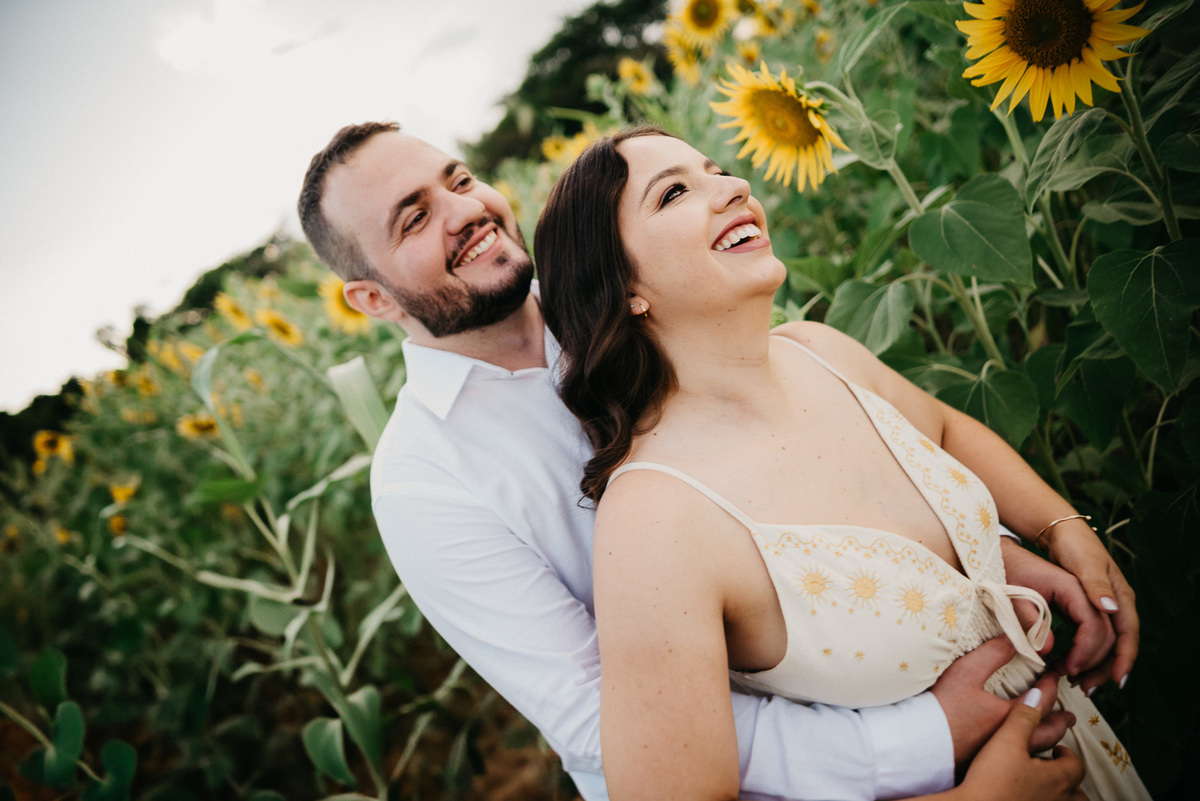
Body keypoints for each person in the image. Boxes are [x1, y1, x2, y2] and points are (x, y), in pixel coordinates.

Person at [297, 121, 1138, 801]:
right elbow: (609, 725)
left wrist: (1010, 552)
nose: (466, 209)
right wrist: (924, 742)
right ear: (368, 296)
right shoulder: (424, 481)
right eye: (414, 217)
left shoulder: (648, 289)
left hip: (978, 678)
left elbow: (870, 454)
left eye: (458, 178)